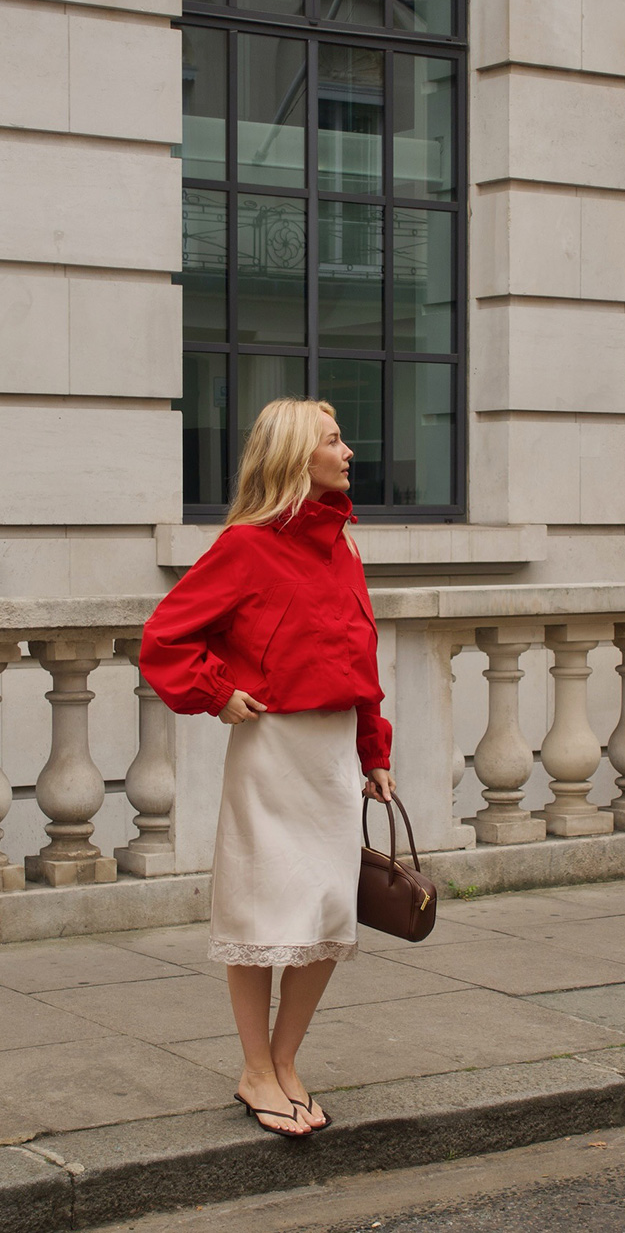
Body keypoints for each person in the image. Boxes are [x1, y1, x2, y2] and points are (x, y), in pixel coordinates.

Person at [140, 397, 395, 1137]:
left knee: (329, 913)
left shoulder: (343, 546)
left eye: (344, 437)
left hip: (332, 756)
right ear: (295, 456)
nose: (349, 451)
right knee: (262, 913)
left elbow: (362, 659)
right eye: (333, 440)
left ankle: (285, 1062)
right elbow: (165, 637)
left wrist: (374, 751)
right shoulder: (246, 547)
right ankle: (256, 1071)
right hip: (273, 751)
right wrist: (218, 693)